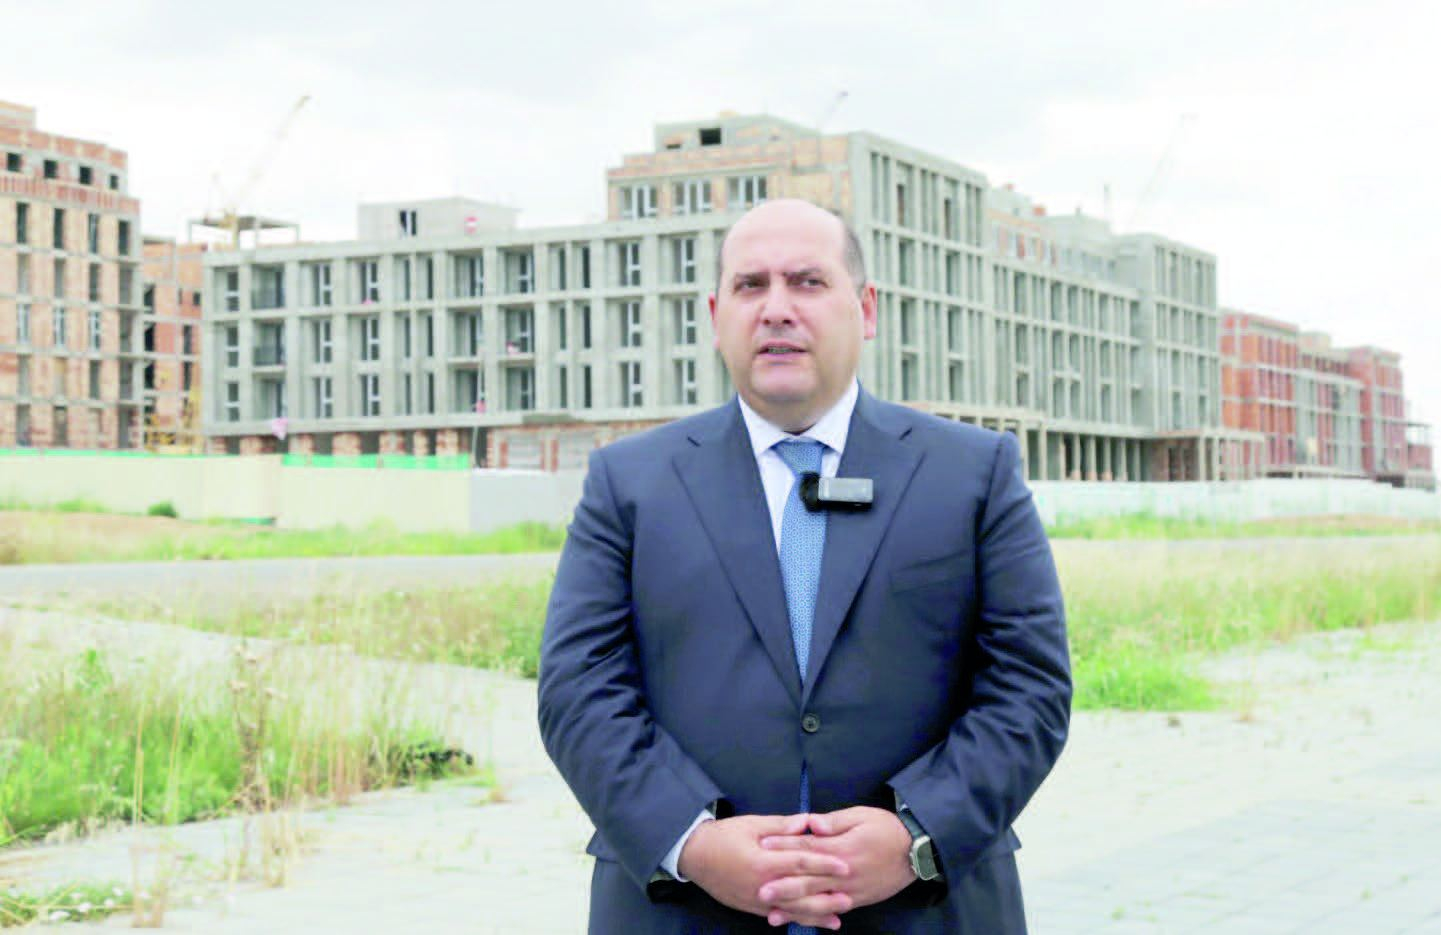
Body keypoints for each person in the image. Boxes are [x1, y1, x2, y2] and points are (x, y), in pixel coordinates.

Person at [538, 198, 1071, 933]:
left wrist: (916, 835)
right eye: (750, 285)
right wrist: (692, 842)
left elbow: (1028, 687)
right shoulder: (628, 482)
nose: (777, 308)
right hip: (684, 911)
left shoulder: (973, 473)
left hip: (925, 909)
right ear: (715, 314)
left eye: (808, 281)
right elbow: (579, 691)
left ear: (866, 308)